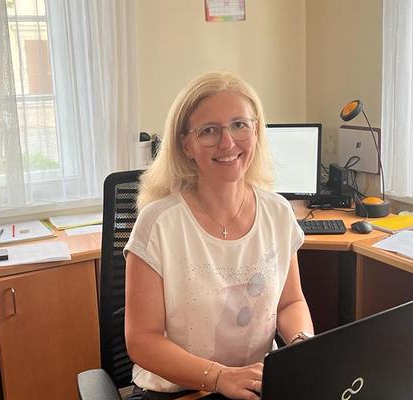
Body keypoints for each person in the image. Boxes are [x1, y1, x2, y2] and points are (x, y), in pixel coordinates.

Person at [124, 72, 314, 400]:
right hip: (180, 391)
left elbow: (290, 302)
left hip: (257, 386)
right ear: (186, 144)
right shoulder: (158, 224)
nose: (227, 143)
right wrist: (219, 377)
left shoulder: (278, 213)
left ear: (256, 131)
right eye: (209, 131)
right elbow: (142, 339)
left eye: (239, 125)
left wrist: (301, 344)